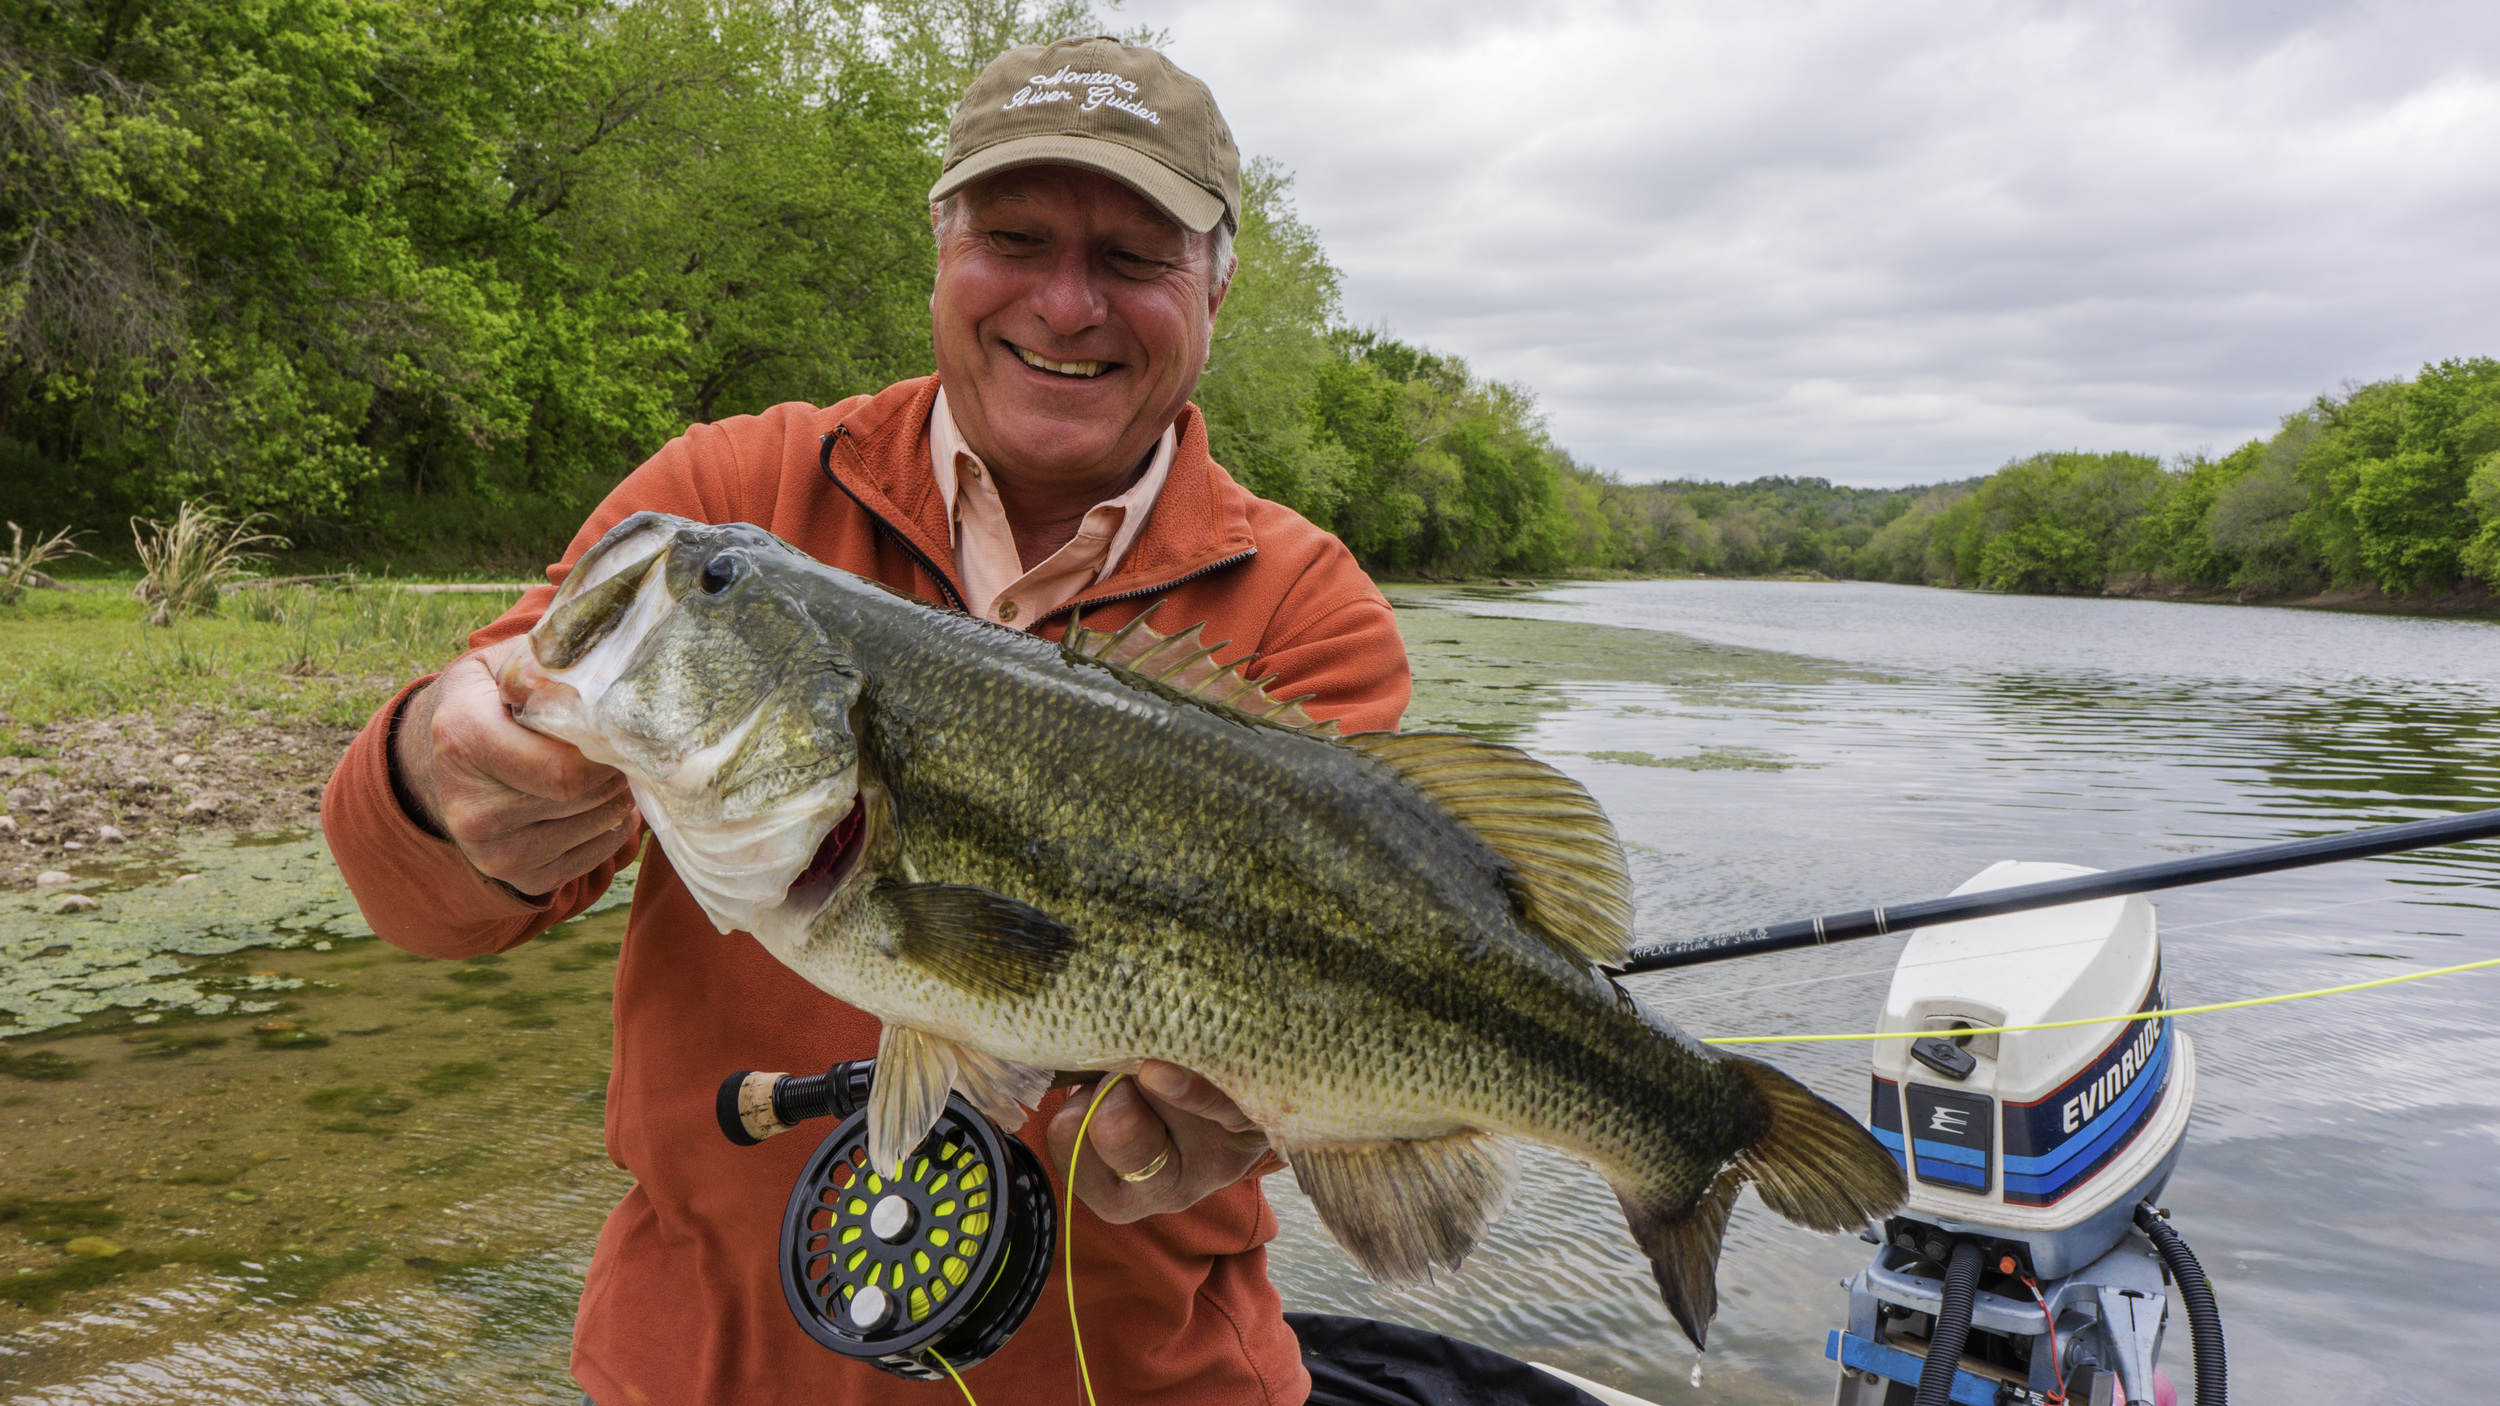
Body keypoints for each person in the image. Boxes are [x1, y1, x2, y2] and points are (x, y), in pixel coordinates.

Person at [323, 35, 1412, 1406]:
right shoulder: (728, 505)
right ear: (940, 247)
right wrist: (436, 780)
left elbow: (1350, 1023)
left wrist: (1235, 1136)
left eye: (1134, 258)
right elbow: (424, 903)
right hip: (704, 1369)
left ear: (1218, 282)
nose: (1066, 304)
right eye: (1012, 236)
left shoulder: (1305, 602)